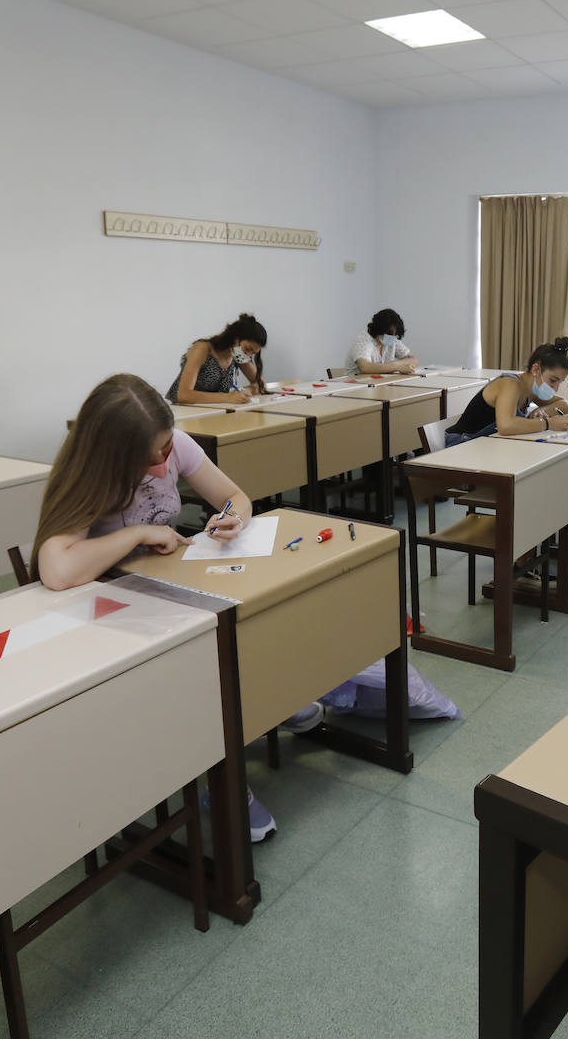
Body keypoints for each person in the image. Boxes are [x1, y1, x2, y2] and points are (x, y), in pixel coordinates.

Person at [34, 374, 314, 843]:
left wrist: (233, 519)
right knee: (203, 660)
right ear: (116, 453)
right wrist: (137, 535)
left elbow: (236, 498)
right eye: (153, 456)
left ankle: (266, 705)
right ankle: (214, 778)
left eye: (167, 449)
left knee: (248, 619)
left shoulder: (175, 445)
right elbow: (57, 570)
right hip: (111, 610)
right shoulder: (94, 475)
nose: (165, 463)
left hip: (168, 585)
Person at [444, 338, 568, 556]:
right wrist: (547, 423)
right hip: (464, 452)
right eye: (552, 381)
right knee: (537, 479)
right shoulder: (510, 384)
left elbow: (563, 405)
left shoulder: (530, 388)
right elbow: (505, 425)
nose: (555, 387)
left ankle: (564, 533)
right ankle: (526, 556)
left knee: (559, 470)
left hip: (492, 449)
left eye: (559, 382)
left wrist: (540, 412)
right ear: (536, 369)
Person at [167, 313, 267, 405]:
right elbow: (184, 395)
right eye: (248, 349)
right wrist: (228, 397)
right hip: (181, 411)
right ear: (236, 338)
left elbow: (260, 384)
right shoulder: (202, 348)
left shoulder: (238, 355)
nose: (249, 356)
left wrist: (244, 391)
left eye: (253, 353)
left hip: (212, 411)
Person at [345, 308, 419, 376]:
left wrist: (401, 362)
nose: (392, 338)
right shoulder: (364, 340)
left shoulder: (392, 340)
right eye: (389, 334)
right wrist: (396, 366)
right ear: (379, 329)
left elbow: (412, 358)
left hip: (379, 382)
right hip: (357, 384)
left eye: (395, 335)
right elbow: (365, 367)